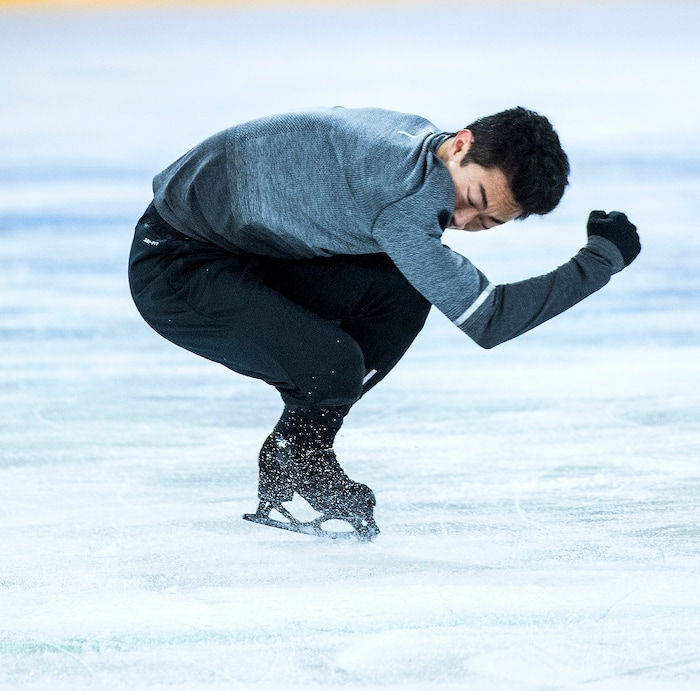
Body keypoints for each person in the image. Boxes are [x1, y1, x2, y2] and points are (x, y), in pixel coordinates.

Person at [128, 105, 640, 539]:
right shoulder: (405, 201)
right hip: (177, 265)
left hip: (252, 244)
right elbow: (491, 319)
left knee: (402, 291)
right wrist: (600, 262)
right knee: (333, 366)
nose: (460, 220)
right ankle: (297, 454)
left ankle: (301, 447)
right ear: (462, 145)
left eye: (487, 222)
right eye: (474, 200)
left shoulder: (419, 142)